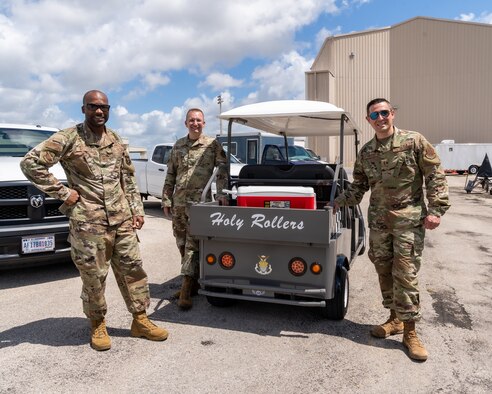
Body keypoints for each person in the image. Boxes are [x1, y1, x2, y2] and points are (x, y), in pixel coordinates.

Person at [20, 90, 168, 351]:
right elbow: (31, 163)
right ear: (83, 109)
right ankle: (98, 324)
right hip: (89, 222)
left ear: (109, 110)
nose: (99, 112)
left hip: (121, 219)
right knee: (94, 277)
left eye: (104, 107)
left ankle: (140, 320)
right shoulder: (68, 138)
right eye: (93, 107)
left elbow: (128, 178)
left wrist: (136, 210)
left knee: (133, 270)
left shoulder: (116, 140)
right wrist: (63, 192)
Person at [334, 98, 450, 361]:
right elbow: (358, 187)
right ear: (369, 121)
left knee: (405, 273)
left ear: (393, 114)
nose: (380, 118)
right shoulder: (366, 152)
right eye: (375, 115)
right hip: (379, 223)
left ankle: (410, 331)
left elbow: (435, 175)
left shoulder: (414, 141)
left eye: (384, 113)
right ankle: (395, 319)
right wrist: (335, 203)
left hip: (408, 223)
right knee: (384, 271)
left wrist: (436, 210)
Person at [162, 108, 228, 310]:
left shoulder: (212, 145)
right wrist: (166, 199)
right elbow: (171, 173)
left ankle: (185, 288)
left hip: (199, 204)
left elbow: (221, 170)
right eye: (191, 120)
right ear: (186, 123)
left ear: (204, 123)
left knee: (193, 245)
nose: (195, 123)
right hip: (179, 203)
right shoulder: (178, 145)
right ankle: (194, 282)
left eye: (199, 120)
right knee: (181, 242)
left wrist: (222, 194)